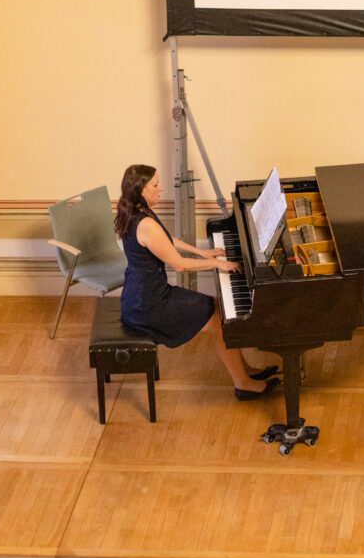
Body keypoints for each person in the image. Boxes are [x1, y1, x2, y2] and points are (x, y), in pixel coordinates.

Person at [114, 164, 279, 400]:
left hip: (145, 295)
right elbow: (179, 265)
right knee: (221, 321)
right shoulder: (145, 224)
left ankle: (245, 372)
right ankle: (242, 384)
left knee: (220, 310)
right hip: (148, 305)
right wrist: (216, 263)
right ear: (141, 190)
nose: (161, 189)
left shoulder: (139, 211)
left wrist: (202, 252)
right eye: (155, 185)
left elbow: (166, 239)